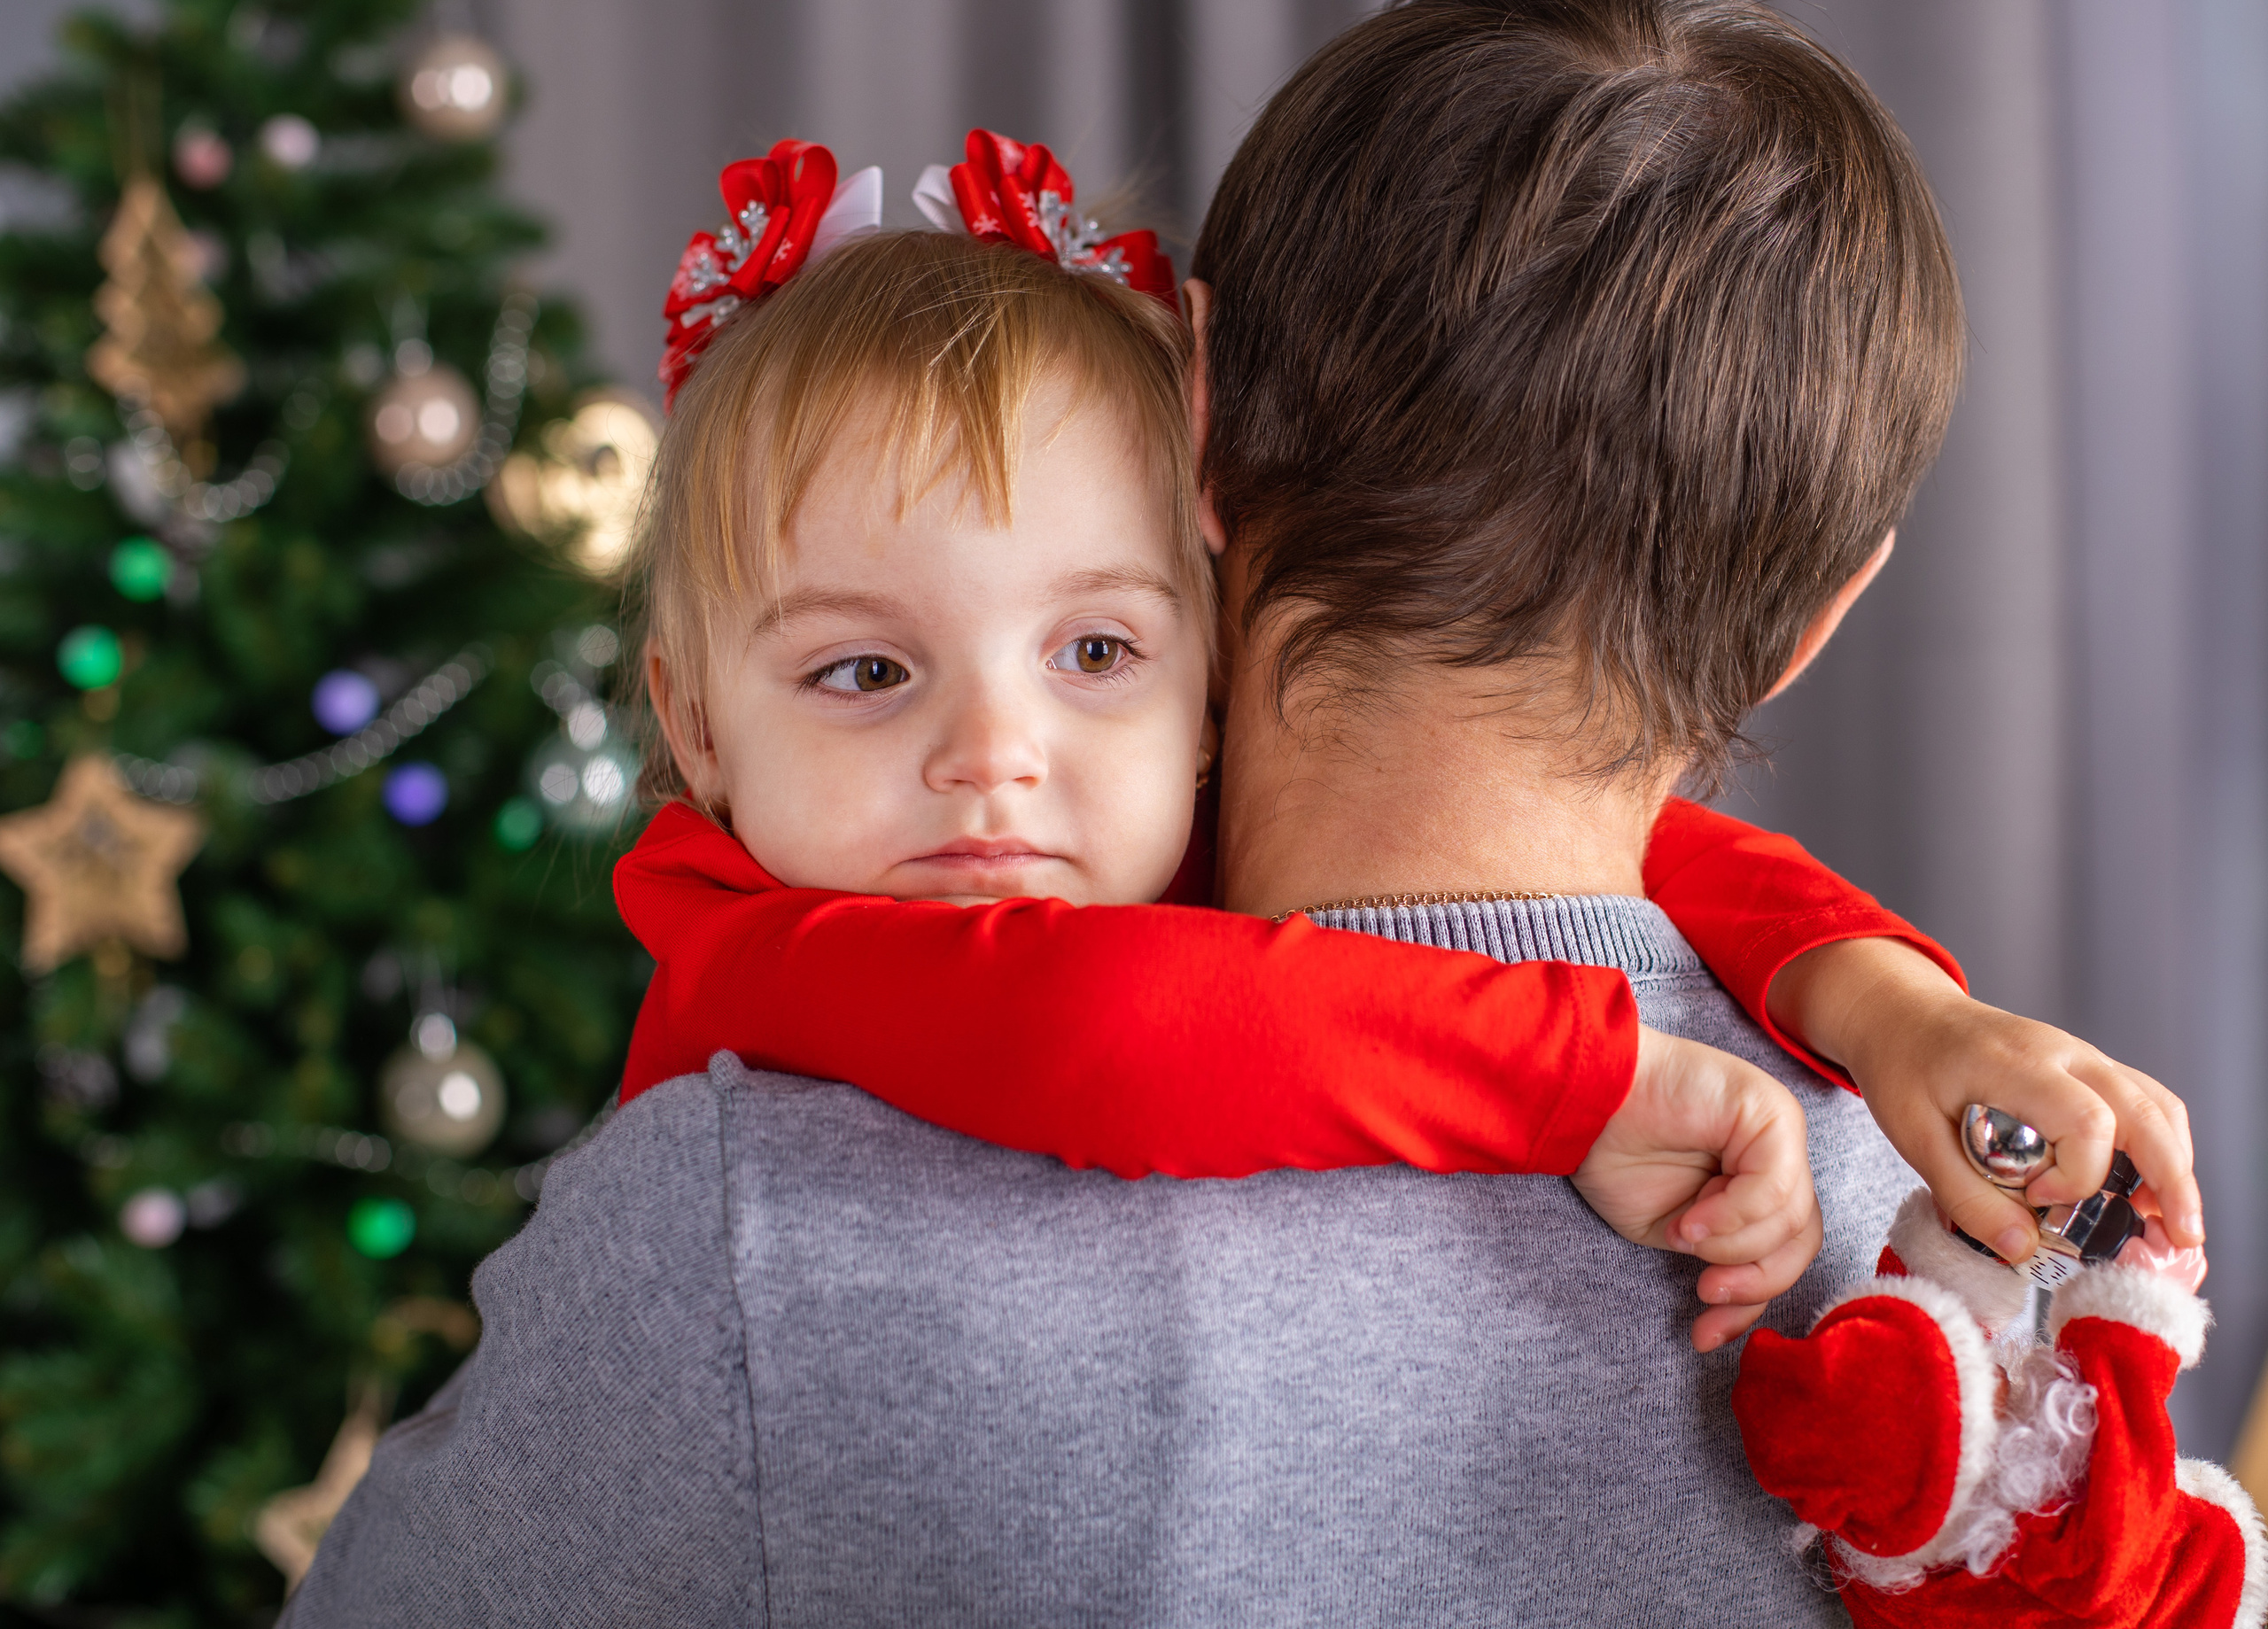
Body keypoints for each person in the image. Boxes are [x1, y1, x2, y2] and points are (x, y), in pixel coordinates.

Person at [283, 3, 2200, 1623]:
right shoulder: (1973, 1298)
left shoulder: (747, 1237)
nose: (990, 762)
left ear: (1189, 418)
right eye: (868, 671)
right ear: (1811, 617)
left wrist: (1863, 1000)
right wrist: (1864, 1025)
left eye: (1083, 653)